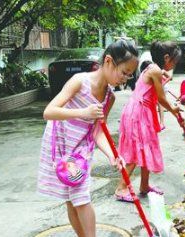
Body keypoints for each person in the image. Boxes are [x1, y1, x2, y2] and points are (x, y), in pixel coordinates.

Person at [37, 39, 139, 237]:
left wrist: (112, 155)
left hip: (81, 148)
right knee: (71, 199)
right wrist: (83, 112)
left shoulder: (110, 97)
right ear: (108, 61)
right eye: (124, 72)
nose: (125, 79)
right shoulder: (79, 81)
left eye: (129, 75)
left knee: (81, 197)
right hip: (60, 143)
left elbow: (98, 131)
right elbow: (49, 112)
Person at [115, 41, 181, 202]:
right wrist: (174, 110)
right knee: (135, 149)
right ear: (166, 58)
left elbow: (156, 84)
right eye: (174, 61)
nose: (175, 65)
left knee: (146, 149)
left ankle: (144, 186)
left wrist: (165, 75)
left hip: (140, 111)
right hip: (138, 113)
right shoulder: (156, 71)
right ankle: (121, 188)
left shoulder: (151, 68)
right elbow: (161, 98)